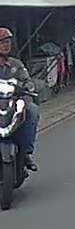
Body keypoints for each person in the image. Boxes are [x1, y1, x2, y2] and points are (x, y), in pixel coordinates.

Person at [0, 28, 39, 172]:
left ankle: (26, 153)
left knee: (32, 110)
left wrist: (28, 88)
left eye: (7, 42)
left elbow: (27, 82)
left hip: (12, 104)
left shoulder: (16, 65)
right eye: (2, 42)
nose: (5, 45)